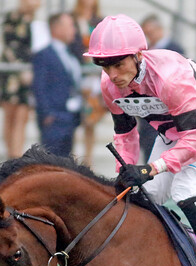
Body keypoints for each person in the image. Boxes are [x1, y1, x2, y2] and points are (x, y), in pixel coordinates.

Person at [85, 14, 196, 266]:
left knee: (185, 190)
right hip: (173, 129)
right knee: (144, 194)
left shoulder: (171, 78)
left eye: (119, 65)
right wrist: (127, 171)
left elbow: (195, 140)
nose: (114, 75)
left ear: (138, 55)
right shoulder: (110, 86)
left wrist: (151, 167)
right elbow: (125, 134)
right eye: (106, 67)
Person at [0, 0, 49, 159]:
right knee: (10, 113)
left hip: (31, 72)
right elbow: (9, 44)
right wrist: (20, 69)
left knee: (23, 114)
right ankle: (11, 154)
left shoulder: (39, 21)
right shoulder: (13, 17)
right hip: (11, 72)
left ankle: (16, 153)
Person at [32, 12, 83, 157]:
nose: (74, 30)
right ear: (57, 28)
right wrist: (47, 113)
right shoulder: (44, 55)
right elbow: (39, 86)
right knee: (52, 159)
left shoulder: (70, 54)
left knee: (66, 161)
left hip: (70, 116)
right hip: (54, 117)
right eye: (70, 26)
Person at [138, 14, 186, 162]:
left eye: (150, 33)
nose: (148, 37)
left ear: (159, 30)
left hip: (167, 111)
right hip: (149, 114)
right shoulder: (144, 52)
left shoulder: (174, 50)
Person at [68, 0, 106, 166]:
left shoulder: (99, 21)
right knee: (74, 118)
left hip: (94, 75)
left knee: (90, 118)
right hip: (77, 71)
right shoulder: (72, 19)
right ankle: (72, 155)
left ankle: (87, 158)